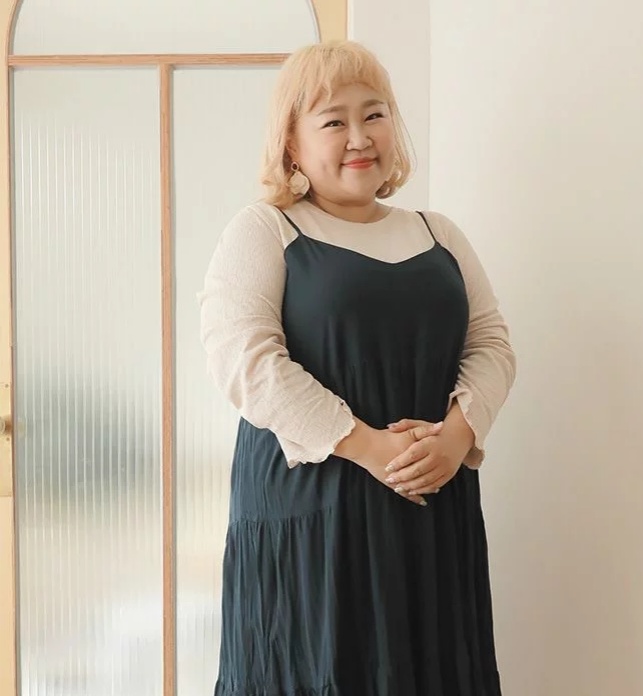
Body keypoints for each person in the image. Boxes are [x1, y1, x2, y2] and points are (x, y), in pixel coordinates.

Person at [199, 39, 516, 696]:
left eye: (374, 114)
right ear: (291, 141)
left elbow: (491, 345)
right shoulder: (265, 229)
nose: (360, 137)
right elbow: (244, 360)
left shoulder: (438, 233)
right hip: (314, 515)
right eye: (333, 120)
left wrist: (455, 438)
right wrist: (369, 446)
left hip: (432, 503)